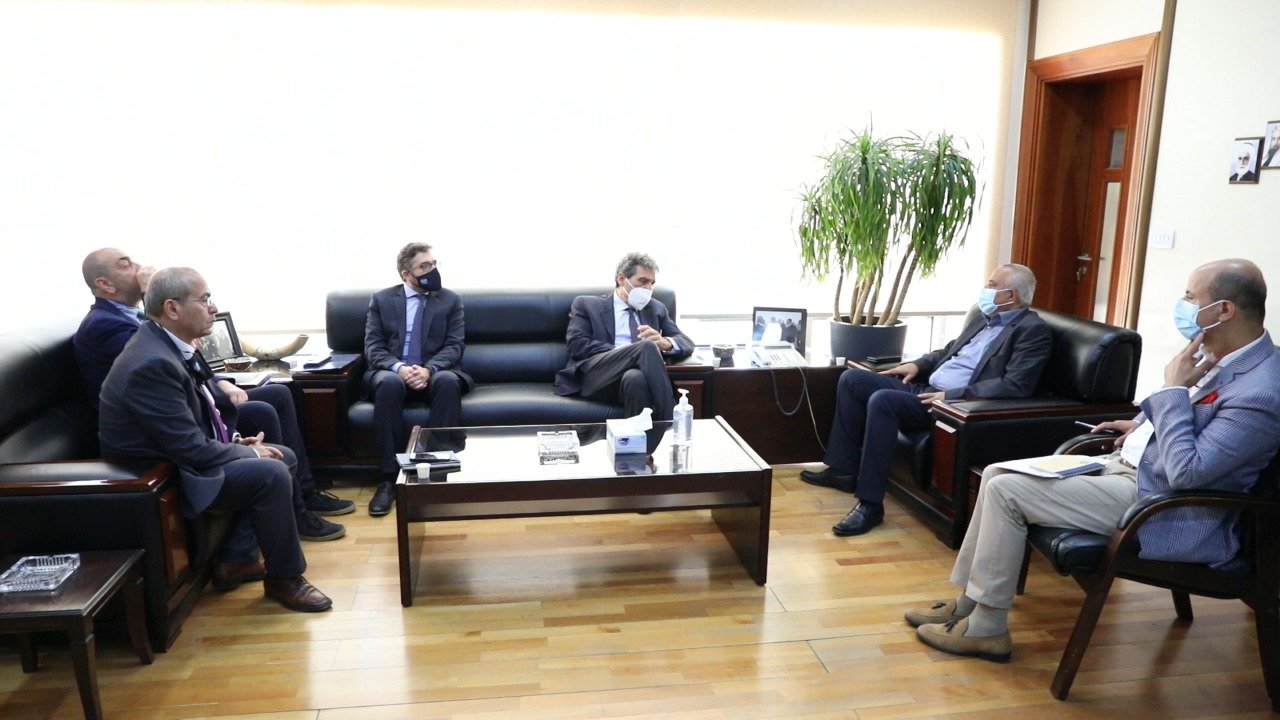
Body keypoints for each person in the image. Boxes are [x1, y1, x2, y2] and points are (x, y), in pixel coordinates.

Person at [907, 259, 1280, 663]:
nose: (1183, 304)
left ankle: (987, 629)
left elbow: (1189, 473)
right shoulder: (1221, 354)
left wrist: (1171, 390)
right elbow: (1195, 418)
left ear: (1223, 310)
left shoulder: (1261, 391)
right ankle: (968, 602)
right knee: (998, 472)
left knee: (1006, 491)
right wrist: (1140, 424)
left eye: (1191, 296)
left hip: (1166, 507)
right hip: (1134, 470)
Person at [72, 249, 354, 535]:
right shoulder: (104, 325)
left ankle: (300, 496)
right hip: (153, 429)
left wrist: (220, 381)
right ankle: (287, 508)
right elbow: (159, 362)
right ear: (104, 284)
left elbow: (184, 358)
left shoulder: (135, 317)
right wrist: (150, 291)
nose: (138, 267)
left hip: (181, 402)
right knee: (264, 432)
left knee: (274, 398)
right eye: (126, 265)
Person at [98, 267, 333, 612]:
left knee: (282, 455)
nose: (213, 308)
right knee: (271, 471)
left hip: (180, 454)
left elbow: (205, 411)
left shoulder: (168, 343)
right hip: (165, 472)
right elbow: (189, 448)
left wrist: (236, 441)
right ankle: (285, 579)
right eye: (204, 299)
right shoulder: (151, 363)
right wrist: (247, 453)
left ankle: (237, 558)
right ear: (172, 308)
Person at [802, 263, 1052, 536]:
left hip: (952, 406)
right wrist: (916, 365)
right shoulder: (983, 318)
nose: (985, 289)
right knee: (852, 379)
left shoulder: (1032, 330)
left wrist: (951, 396)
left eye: (992, 285)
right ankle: (843, 470)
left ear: (1011, 295)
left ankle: (870, 504)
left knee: (883, 400)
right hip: (926, 388)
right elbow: (949, 351)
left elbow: (1016, 385)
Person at [364, 243, 473, 516]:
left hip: (435, 371)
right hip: (393, 372)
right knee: (388, 384)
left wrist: (429, 369)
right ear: (406, 274)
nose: (432, 271)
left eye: (434, 264)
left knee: (447, 381)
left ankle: (439, 474)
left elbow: (454, 346)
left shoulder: (450, 300)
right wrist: (399, 368)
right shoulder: (382, 300)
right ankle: (389, 480)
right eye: (424, 267)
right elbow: (373, 347)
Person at [554, 252, 694, 423]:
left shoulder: (656, 308)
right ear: (621, 278)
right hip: (597, 376)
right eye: (643, 281)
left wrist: (665, 343)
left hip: (632, 379)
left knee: (635, 379)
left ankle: (641, 439)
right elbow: (577, 344)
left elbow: (686, 342)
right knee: (646, 346)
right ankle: (671, 421)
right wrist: (627, 352)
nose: (648, 288)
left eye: (652, 283)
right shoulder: (587, 304)